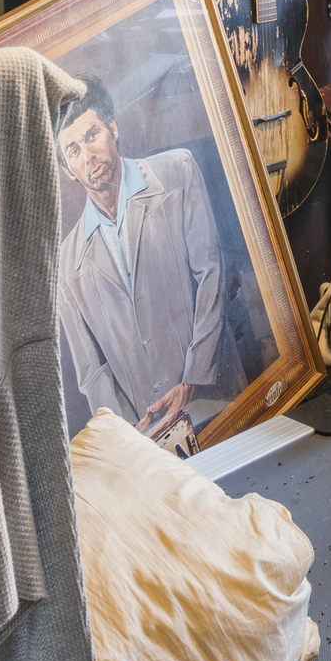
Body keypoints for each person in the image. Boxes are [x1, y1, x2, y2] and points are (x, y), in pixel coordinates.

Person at [52, 76, 226, 442]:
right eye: (73, 151)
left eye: (92, 135)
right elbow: (91, 372)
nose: (89, 157)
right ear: (68, 171)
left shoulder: (177, 171)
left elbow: (212, 274)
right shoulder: (66, 264)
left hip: (215, 400)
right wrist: (129, 436)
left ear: (113, 129)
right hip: (146, 438)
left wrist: (193, 378)